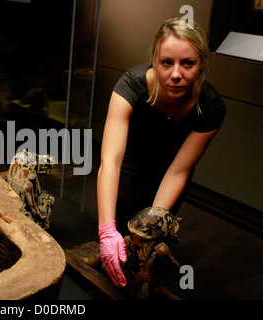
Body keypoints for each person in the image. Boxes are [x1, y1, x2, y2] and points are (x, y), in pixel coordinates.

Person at [97, 16, 226, 288]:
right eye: (167, 62)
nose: (176, 74)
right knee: (113, 253)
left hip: (169, 178)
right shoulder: (129, 86)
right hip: (127, 175)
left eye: (187, 63)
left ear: (201, 63)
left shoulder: (211, 106)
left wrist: (150, 227)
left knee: (149, 258)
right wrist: (107, 229)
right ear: (154, 60)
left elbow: (178, 171)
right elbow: (111, 161)